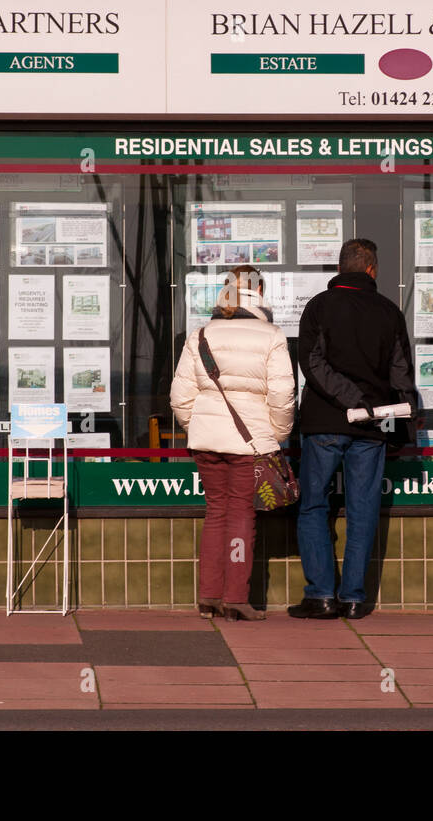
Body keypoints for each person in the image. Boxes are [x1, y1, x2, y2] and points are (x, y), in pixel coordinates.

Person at [290, 239, 417, 620]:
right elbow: (401, 374)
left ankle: (321, 596)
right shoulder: (390, 312)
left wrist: (348, 399)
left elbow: (311, 364)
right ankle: (353, 599)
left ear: (341, 267)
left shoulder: (319, 307)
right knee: (363, 510)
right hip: (374, 426)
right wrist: (398, 425)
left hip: (325, 422)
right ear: (371, 270)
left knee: (313, 505)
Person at [170, 265, 295, 622]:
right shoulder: (272, 336)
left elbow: (180, 395)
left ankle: (209, 596)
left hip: (206, 441)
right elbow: (284, 394)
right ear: (261, 293)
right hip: (250, 444)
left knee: (216, 514)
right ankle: (236, 598)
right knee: (241, 514)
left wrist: (199, 426)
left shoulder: (201, 334)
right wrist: (276, 434)